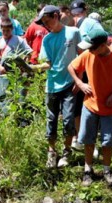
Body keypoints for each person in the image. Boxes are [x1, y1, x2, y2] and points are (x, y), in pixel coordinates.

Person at [68, 29, 112, 186]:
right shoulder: (88, 54)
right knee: (88, 139)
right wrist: (80, 82)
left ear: (103, 45)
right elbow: (71, 67)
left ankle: (107, 171)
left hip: (109, 107)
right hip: (90, 105)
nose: (89, 50)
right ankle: (88, 170)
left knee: (108, 141)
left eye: (92, 47)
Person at [37, 5, 81, 168]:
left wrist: (79, 79)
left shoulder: (73, 32)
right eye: (44, 23)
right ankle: (51, 152)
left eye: (48, 21)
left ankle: (67, 152)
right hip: (52, 84)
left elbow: (82, 56)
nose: (46, 25)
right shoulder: (47, 39)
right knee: (51, 120)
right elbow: (47, 64)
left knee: (69, 119)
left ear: (56, 15)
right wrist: (31, 68)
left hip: (70, 83)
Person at [70, 0, 104, 152]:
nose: (77, 15)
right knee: (78, 107)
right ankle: (80, 139)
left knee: (93, 106)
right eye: (74, 13)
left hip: (90, 72)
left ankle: (93, 143)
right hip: (78, 71)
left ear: (85, 10)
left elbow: (101, 42)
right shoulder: (73, 26)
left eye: (79, 12)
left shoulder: (91, 23)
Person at [0, 18, 32, 100]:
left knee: (13, 98)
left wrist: (23, 66)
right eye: (3, 30)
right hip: (0, 74)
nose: (5, 33)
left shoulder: (18, 39)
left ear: (12, 29)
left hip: (15, 76)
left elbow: (29, 52)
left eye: (8, 30)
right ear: (0, 29)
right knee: (0, 99)